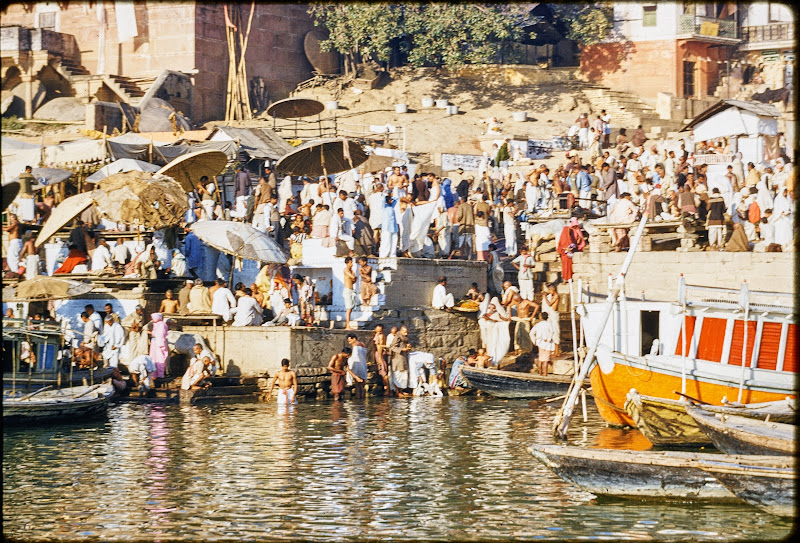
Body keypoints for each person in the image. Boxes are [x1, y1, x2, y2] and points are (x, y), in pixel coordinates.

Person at [531, 312, 556, 376]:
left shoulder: (538, 324)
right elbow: (552, 332)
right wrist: (548, 339)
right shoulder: (549, 324)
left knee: (540, 358)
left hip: (540, 342)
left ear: (541, 317)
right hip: (547, 343)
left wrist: (535, 341)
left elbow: (531, 333)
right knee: (546, 359)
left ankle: (540, 373)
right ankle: (545, 374)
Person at [346, 333, 368, 399]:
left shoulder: (355, 345)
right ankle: (363, 400)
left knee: (357, 385)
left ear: (354, 339)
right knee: (362, 385)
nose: (350, 343)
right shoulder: (363, 344)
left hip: (357, 365)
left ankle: (359, 401)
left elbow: (355, 357)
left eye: (350, 341)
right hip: (363, 365)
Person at [148, 312, 169, 379]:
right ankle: (154, 374)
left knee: (160, 358)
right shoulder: (156, 324)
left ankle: (160, 374)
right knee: (153, 358)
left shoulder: (162, 325)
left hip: (159, 343)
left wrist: (150, 333)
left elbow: (160, 335)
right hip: (154, 343)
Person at [373, 324, 390, 395]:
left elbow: (379, 347)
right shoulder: (377, 335)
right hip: (379, 354)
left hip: (380, 354)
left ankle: (388, 389)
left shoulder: (381, 336)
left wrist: (380, 358)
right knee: (382, 371)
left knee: (383, 372)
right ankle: (386, 387)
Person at [342, 256, 357, 328]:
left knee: (350, 308)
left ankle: (348, 324)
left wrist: (354, 277)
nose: (352, 264)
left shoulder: (352, 270)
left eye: (352, 262)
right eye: (351, 262)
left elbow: (354, 280)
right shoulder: (346, 270)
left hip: (351, 290)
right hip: (347, 290)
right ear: (347, 263)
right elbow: (353, 277)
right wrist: (353, 277)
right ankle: (347, 326)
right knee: (348, 309)